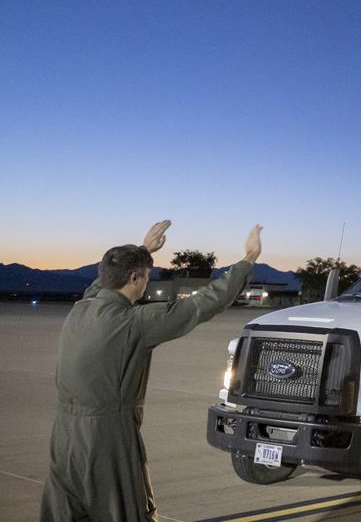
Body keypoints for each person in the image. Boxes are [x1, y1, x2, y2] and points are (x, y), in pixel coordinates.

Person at [41, 221, 263, 522]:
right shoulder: (133, 323)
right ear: (134, 278)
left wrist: (144, 250)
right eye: (146, 275)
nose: (147, 283)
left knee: (67, 512)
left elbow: (98, 288)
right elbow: (202, 305)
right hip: (107, 437)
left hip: (65, 435)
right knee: (125, 510)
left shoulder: (80, 309)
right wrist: (248, 260)